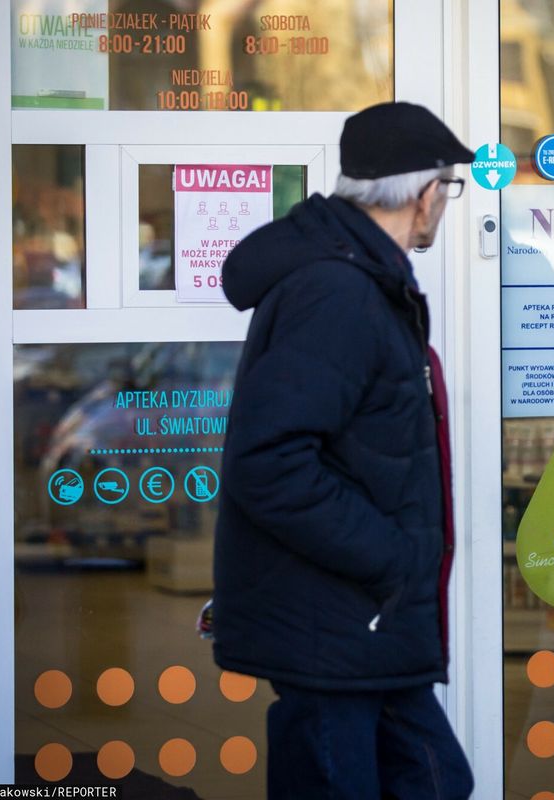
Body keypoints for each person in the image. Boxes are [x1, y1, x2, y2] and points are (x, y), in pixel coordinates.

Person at [212, 101, 474, 800]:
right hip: (334, 626)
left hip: (361, 628)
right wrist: (389, 559)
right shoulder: (339, 292)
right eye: (449, 188)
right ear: (423, 195)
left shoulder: (360, 278)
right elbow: (267, 462)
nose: (446, 205)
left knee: (437, 780)